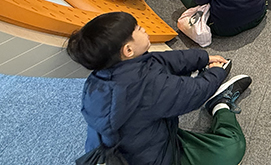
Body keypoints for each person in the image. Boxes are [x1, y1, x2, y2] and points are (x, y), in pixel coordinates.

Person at [67, 11, 252, 165]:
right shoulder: (146, 86)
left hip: (141, 143)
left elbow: (160, 60)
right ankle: (220, 105)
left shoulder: (103, 75)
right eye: (138, 29)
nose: (143, 29)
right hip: (157, 158)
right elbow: (196, 93)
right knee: (232, 149)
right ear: (128, 50)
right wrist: (216, 73)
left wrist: (203, 58)